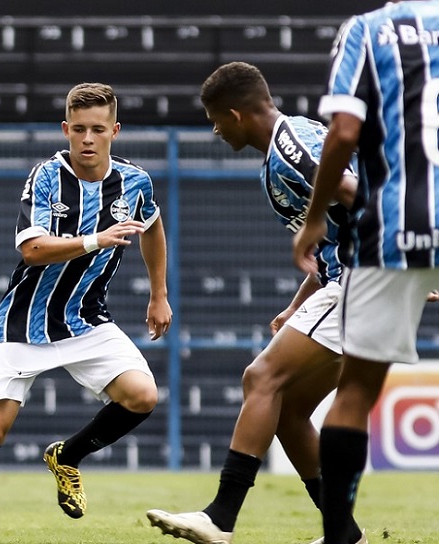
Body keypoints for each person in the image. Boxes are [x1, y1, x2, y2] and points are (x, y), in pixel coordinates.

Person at [145, 62, 366, 544]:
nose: (215, 129)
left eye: (215, 120)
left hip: (363, 279)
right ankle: (343, 533)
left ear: (236, 114)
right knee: (285, 406)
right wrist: (297, 304)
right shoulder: (296, 136)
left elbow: (357, 196)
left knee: (261, 378)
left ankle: (221, 516)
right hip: (347, 278)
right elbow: (332, 237)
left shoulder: (290, 149)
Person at [0, 82, 172, 519]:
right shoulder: (46, 175)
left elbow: (153, 227)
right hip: (23, 322)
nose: (88, 139)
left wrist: (159, 294)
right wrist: (94, 240)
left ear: (115, 131)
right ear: (65, 129)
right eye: (79, 129)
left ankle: (67, 456)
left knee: (142, 395)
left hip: (85, 318)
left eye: (98, 130)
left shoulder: (135, 182)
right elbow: (32, 249)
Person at [292, 2, 439, 543]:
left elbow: (344, 129)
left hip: (396, 222)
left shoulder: (368, 29)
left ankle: (337, 539)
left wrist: (313, 219)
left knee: (354, 391)